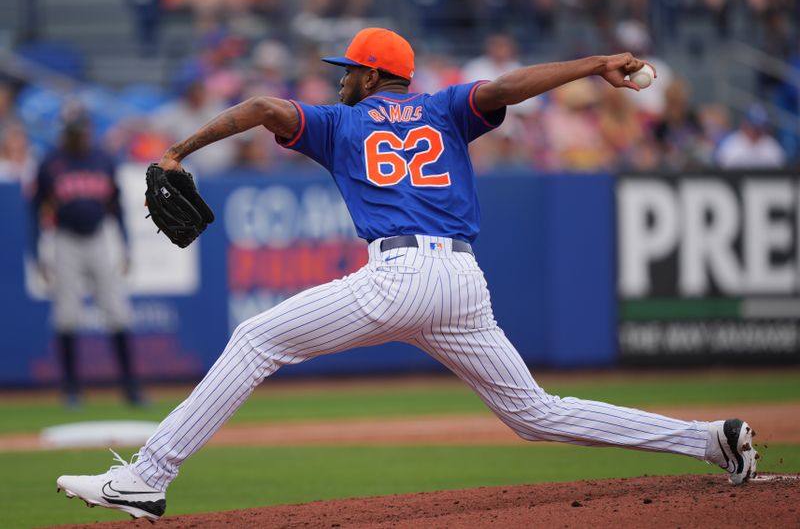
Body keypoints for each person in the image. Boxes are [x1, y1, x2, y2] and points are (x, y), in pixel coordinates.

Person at [56, 28, 758, 521]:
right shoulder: (446, 108)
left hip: (401, 273)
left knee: (256, 339)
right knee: (534, 412)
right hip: (461, 281)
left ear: (371, 74)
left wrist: (179, 149)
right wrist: (595, 62)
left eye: (349, 68)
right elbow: (509, 87)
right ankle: (707, 439)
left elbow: (266, 108)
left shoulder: (338, 121)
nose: (341, 76)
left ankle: (148, 477)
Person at [30, 111, 145, 407]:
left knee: (116, 311)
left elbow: (116, 205)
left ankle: (130, 386)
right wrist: (37, 252)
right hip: (64, 238)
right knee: (67, 314)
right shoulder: (51, 162)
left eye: (84, 130)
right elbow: (35, 210)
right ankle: (70, 388)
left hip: (99, 237)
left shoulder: (102, 159)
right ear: (66, 133)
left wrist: (125, 245)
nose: (82, 136)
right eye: (76, 131)